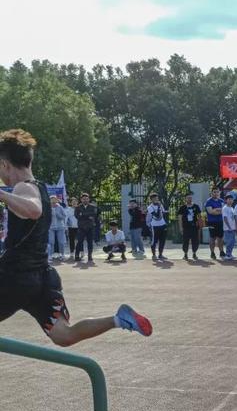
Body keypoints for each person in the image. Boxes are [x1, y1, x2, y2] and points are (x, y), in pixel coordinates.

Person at [0, 129, 151, 345]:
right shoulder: (41, 188)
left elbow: (33, 210)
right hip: (42, 278)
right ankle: (119, 319)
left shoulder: (23, 188)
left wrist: (2, 194)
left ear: (4, 164)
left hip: (14, 277)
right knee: (64, 335)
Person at [177, 193, 202, 260]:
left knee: (195, 241)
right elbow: (180, 218)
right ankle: (185, 254)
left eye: (190, 198)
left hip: (194, 227)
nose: (189, 199)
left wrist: (200, 225)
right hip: (186, 227)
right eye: (188, 198)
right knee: (185, 241)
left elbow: (199, 217)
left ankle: (194, 253)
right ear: (185, 199)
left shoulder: (196, 206)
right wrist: (181, 227)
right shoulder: (182, 207)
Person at [74, 192, 96, 263]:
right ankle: (76, 255)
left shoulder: (93, 207)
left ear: (89, 199)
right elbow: (77, 216)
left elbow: (94, 215)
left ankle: (90, 256)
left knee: (90, 242)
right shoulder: (78, 207)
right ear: (81, 199)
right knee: (79, 242)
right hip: (81, 227)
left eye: (86, 199)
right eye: (83, 199)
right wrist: (88, 216)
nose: (85, 200)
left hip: (90, 227)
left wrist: (83, 214)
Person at [146, 193, 168, 262]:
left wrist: (165, 222)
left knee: (162, 240)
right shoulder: (150, 207)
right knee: (154, 241)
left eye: (157, 198)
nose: (156, 199)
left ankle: (160, 254)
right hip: (154, 226)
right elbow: (156, 215)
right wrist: (158, 207)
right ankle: (154, 255)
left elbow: (163, 213)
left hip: (162, 225)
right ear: (151, 200)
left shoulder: (160, 205)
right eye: (154, 198)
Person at [205, 188, 225, 260]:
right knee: (212, 238)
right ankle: (212, 253)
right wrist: (219, 210)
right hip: (212, 222)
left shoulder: (222, 201)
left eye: (217, 192)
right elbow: (210, 212)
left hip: (220, 222)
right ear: (211, 193)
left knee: (220, 238)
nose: (216, 193)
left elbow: (224, 211)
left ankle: (221, 251)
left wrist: (215, 209)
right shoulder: (208, 201)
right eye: (214, 192)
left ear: (219, 192)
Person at [48, 195, 67, 261]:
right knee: (51, 241)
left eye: (54, 199)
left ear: (56, 200)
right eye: (52, 199)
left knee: (61, 242)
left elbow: (64, 216)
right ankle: (50, 255)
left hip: (60, 227)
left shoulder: (60, 207)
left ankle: (62, 254)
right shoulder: (47, 207)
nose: (53, 201)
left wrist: (58, 215)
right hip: (51, 227)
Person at [221, 194, 237, 260]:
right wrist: (229, 227)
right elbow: (225, 218)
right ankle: (227, 255)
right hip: (227, 228)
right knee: (229, 242)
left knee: (232, 242)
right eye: (229, 199)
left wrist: (235, 226)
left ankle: (230, 254)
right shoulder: (225, 208)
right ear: (226, 200)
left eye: (231, 199)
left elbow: (234, 218)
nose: (230, 200)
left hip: (232, 228)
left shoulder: (232, 208)